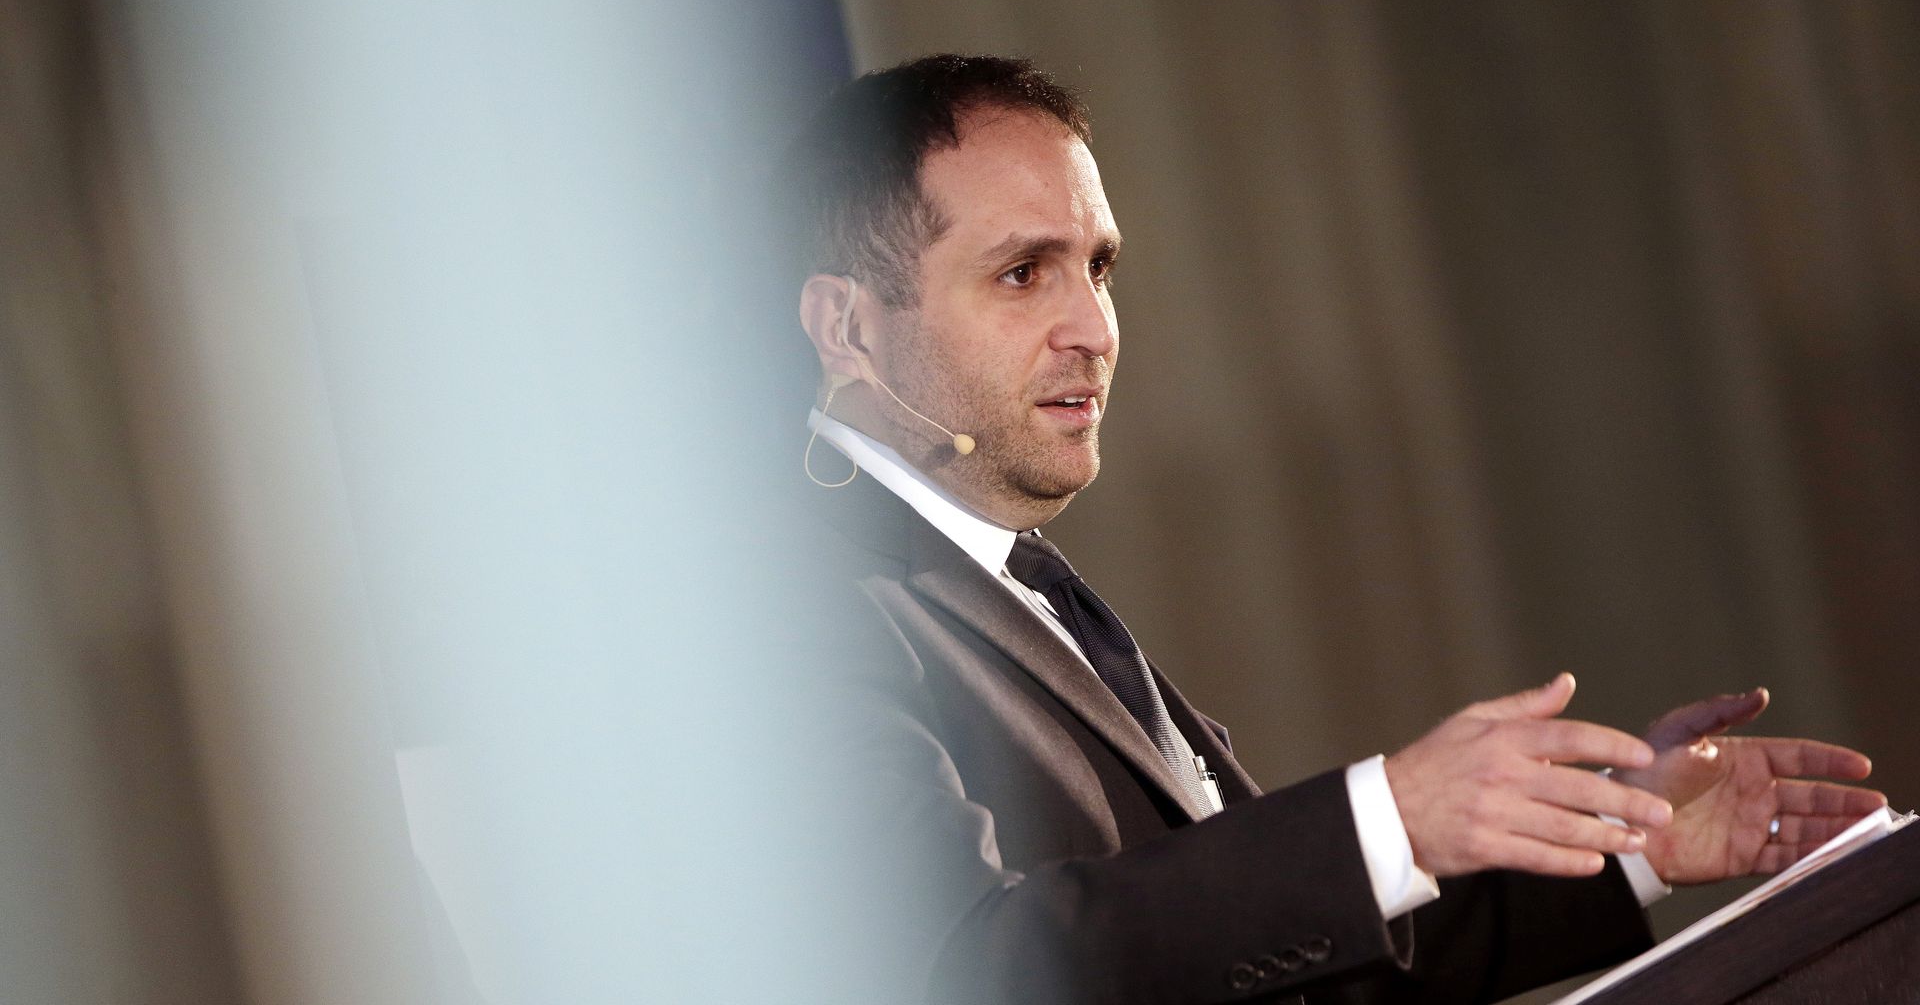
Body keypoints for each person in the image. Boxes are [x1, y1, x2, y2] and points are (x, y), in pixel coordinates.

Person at [781, 54, 1884, 1004]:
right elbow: (960, 970)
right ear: (846, 325)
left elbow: (1270, 962)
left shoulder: (1017, 581)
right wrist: (1385, 818)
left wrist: (1625, 840)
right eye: (1023, 272)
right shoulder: (780, 606)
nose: (1093, 329)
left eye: (1100, 266)